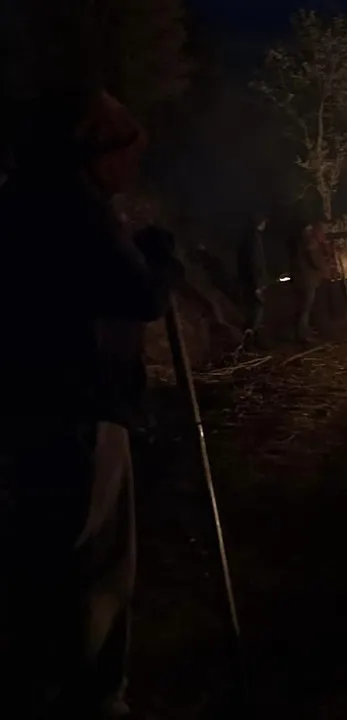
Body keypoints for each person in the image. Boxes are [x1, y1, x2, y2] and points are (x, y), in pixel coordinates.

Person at [0, 87, 182, 719]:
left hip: (28, 409)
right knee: (94, 567)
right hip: (79, 414)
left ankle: (45, 684)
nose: (132, 167)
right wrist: (159, 259)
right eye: (126, 153)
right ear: (96, 153)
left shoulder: (20, 201)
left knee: (41, 560)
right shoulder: (74, 209)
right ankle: (90, 699)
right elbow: (140, 296)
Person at [236, 212, 270, 345]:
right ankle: (248, 338)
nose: (265, 224)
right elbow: (255, 263)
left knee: (253, 308)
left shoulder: (248, 238)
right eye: (264, 222)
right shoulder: (253, 240)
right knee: (257, 308)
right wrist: (258, 285)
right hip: (253, 282)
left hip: (248, 281)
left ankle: (251, 337)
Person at [293, 217, 327, 342]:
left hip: (300, 278)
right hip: (309, 279)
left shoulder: (299, 241)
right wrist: (323, 265)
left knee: (301, 307)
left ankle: (300, 332)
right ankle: (303, 335)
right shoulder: (310, 241)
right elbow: (315, 261)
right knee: (306, 308)